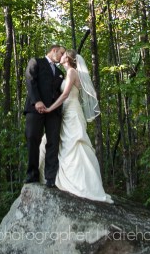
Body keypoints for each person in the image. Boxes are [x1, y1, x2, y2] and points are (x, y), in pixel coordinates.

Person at [40, 48, 113, 203]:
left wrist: (50, 108)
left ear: (68, 58)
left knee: (75, 144)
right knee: (63, 145)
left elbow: (65, 95)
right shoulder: (66, 73)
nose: (61, 55)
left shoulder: (72, 72)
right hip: (66, 113)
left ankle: (83, 184)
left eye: (63, 54)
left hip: (72, 112)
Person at [24, 45, 66, 187]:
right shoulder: (36, 62)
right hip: (35, 109)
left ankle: (50, 178)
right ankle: (32, 175)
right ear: (54, 50)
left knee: (53, 143)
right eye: (61, 53)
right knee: (32, 139)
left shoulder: (60, 72)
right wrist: (37, 101)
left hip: (53, 112)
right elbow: (30, 80)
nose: (62, 56)